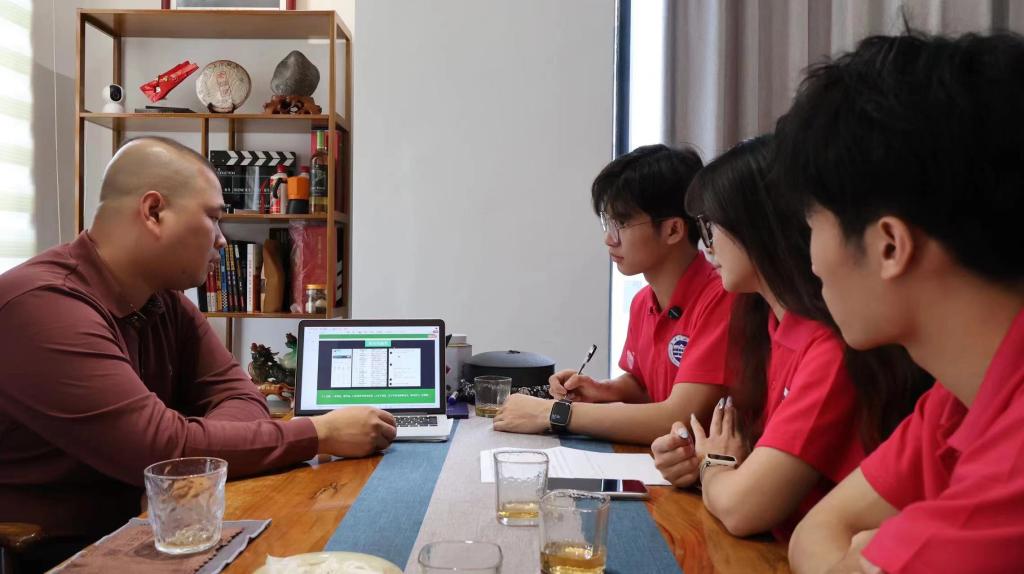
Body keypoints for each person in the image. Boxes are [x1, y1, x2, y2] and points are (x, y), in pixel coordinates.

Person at [0, 137, 396, 567]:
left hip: (166, 527)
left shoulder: (162, 299)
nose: (222, 241)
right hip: (65, 550)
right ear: (154, 212)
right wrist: (319, 433)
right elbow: (160, 448)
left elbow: (240, 398)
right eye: (213, 218)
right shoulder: (40, 306)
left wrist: (189, 464)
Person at [776, 32, 1024, 573]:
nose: (812, 262)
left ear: (889, 245)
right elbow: (817, 529)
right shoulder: (958, 397)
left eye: (812, 225)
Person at [649, 135, 929, 540]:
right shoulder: (765, 325)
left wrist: (715, 467)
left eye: (711, 227)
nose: (706, 247)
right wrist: (700, 461)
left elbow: (744, 508)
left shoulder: (829, 347)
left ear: (761, 227)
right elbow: (745, 466)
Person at [494, 144, 734, 444]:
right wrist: (604, 390)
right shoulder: (643, 301)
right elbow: (645, 385)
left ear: (673, 230)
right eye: (607, 222)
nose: (609, 238)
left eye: (621, 223)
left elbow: (678, 417)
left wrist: (551, 412)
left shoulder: (721, 297)